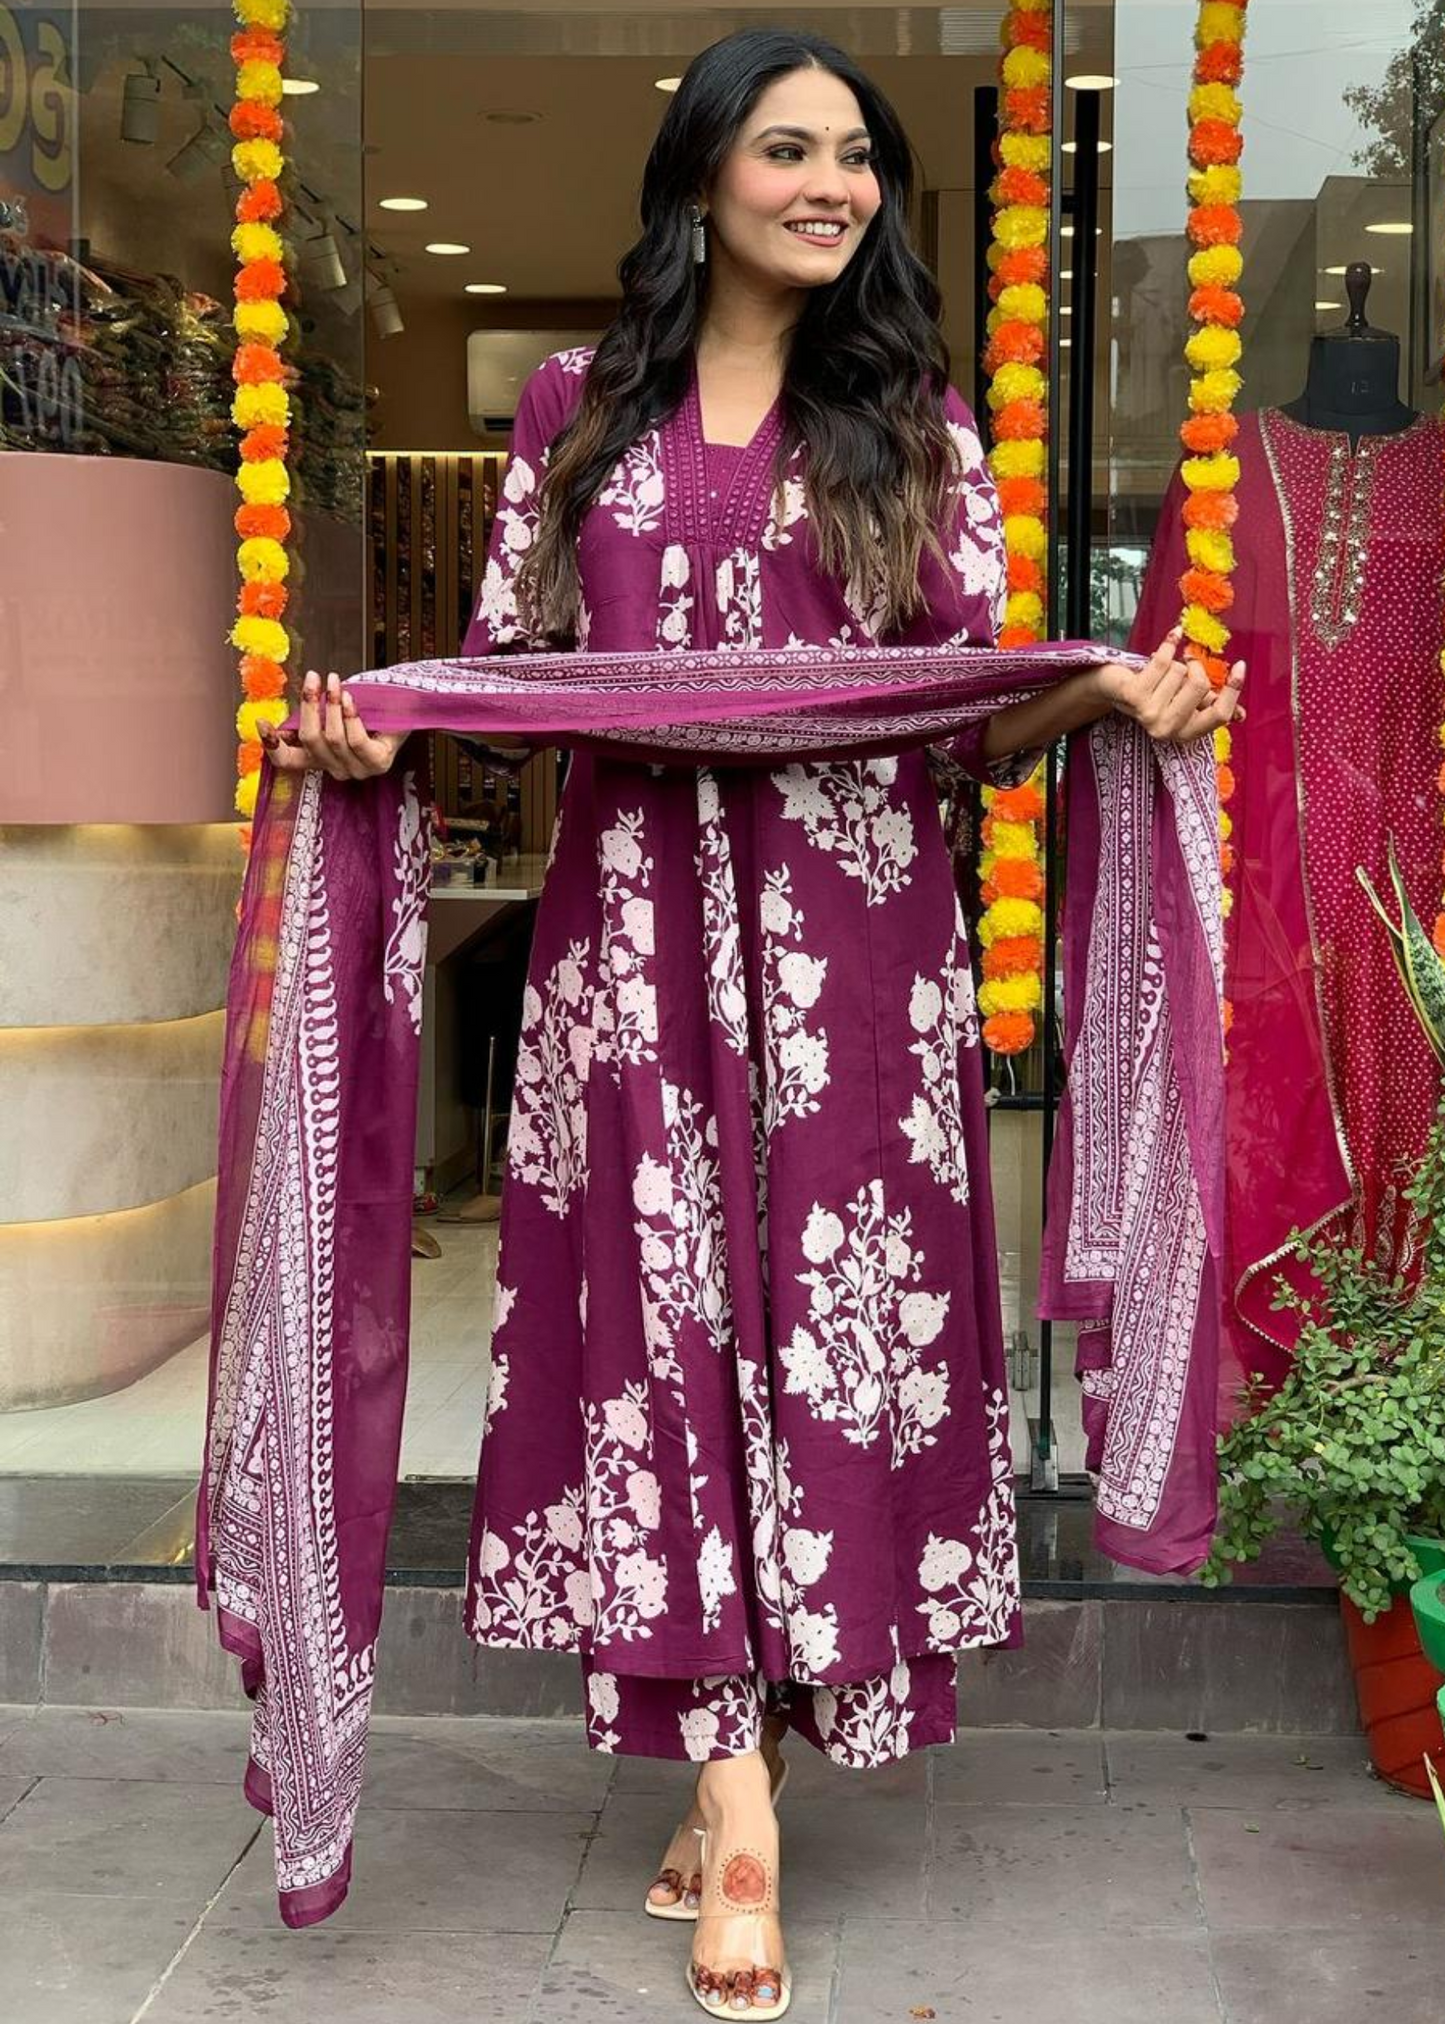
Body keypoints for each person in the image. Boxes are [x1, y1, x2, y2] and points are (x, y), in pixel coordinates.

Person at [260, 28, 1241, 2017]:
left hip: (859, 966)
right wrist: (380, 726)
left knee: (825, 1361)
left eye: (856, 157)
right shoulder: (574, 411)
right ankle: (739, 1801)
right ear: (697, 173)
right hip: (622, 969)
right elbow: (516, 676)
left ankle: (744, 1772)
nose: (830, 183)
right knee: (659, 1351)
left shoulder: (911, 418)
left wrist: (1105, 701)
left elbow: (959, 706)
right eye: (785, 148)